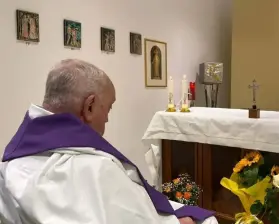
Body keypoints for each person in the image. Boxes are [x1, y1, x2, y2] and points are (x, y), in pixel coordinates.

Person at [0, 59, 217, 224]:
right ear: (90, 106)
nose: (107, 118)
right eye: (108, 108)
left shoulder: (9, 165)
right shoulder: (97, 169)